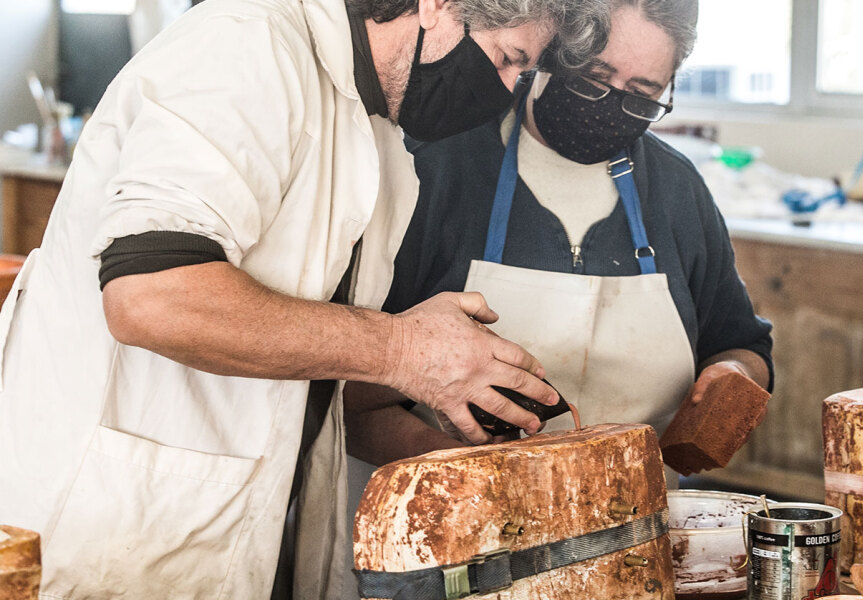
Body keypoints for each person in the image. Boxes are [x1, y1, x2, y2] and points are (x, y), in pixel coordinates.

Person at [0, 0, 609, 597]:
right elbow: (150, 295)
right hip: (102, 524)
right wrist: (403, 348)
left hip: (236, 534)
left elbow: (312, 359)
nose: (505, 90)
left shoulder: (379, 133)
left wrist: (442, 383)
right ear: (436, 5)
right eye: (507, 59)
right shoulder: (247, 43)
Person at [346, 0, 773, 478]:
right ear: (548, 50)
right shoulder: (436, 166)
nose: (610, 105)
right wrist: (471, 474)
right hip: (450, 520)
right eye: (594, 78)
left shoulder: (676, 190)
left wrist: (732, 379)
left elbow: (741, 345)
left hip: (636, 524)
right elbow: (350, 398)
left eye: (642, 95)